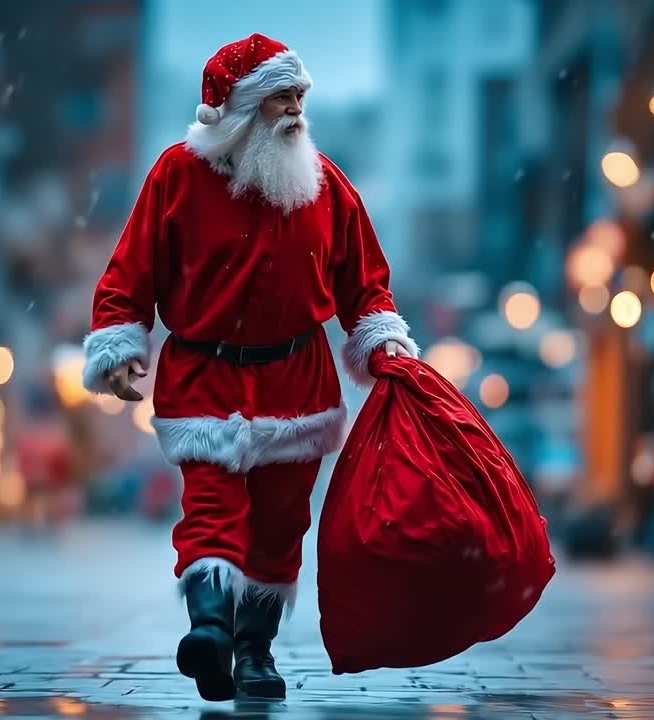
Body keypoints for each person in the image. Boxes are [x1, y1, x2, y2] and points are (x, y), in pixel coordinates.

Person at [81, 33, 418, 701]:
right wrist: (119, 343)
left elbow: (364, 283)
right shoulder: (176, 175)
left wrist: (382, 344)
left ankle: (254, 650)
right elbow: (131, 270)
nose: (296, 110)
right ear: (239, 108)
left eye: (300, 96)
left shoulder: (327, 186)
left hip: (297, 380)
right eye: (280, 98)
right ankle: (208, 628)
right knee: (210, 505)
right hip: (204, 373)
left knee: (281, 521)